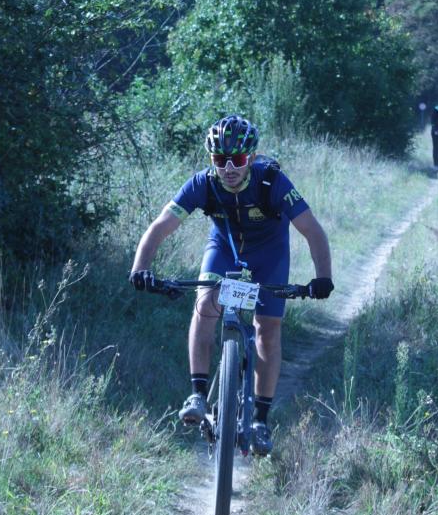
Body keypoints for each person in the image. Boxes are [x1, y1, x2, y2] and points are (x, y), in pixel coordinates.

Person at [129, 114, 334, 456]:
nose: (228, 168)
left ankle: (261, 420)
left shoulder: (271, 181)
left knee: (267, 328)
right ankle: (197, 394)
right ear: (211, 159)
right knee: (205, 306)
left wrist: (323, 277)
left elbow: (312, 229)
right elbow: (161, 226)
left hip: (269, 254)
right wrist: (140, 268)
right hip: (224, 249)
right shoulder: (203, 184)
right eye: (220, 159)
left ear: (251, 157)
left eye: (237, 159)